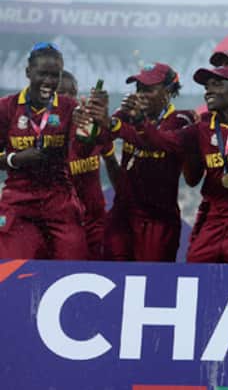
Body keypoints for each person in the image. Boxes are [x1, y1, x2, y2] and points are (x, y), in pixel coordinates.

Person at [93, 66, 228, 263]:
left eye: (217, 84)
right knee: (193, 274)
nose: (209, 90)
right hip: (214, 223)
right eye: (207, 86)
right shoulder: (200, 129)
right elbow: (161, 140)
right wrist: (120, 121)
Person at [0, 43, 88, 259]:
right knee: (12, 265)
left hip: (59, 198)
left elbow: (83, 151)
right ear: (28, 72)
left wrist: (88, 131)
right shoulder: (7, 107)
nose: (49, 81)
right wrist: (15, 159)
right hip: (18, 199)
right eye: (42, 74)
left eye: (54, 75)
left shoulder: (70, 107)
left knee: (74, 264)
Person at [104, 62, 197, 262]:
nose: (141, 94)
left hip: (158, 220)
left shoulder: (183, 119)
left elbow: (156, 141)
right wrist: (96, 118)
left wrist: (124, 124)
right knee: (113, 279)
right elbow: (98, 139)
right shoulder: (126, 115)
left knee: (152, 284)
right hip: (122, 216)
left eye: (148, 89)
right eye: (139, 89)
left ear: (169, 90)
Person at [57, 71, 120, 260]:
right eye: (62, 93)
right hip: (62, 223)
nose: (69, 99)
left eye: (72, 93)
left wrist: (125, 200)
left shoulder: (91, 127)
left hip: (95, 221)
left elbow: (111, 162)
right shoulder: (48, 133)